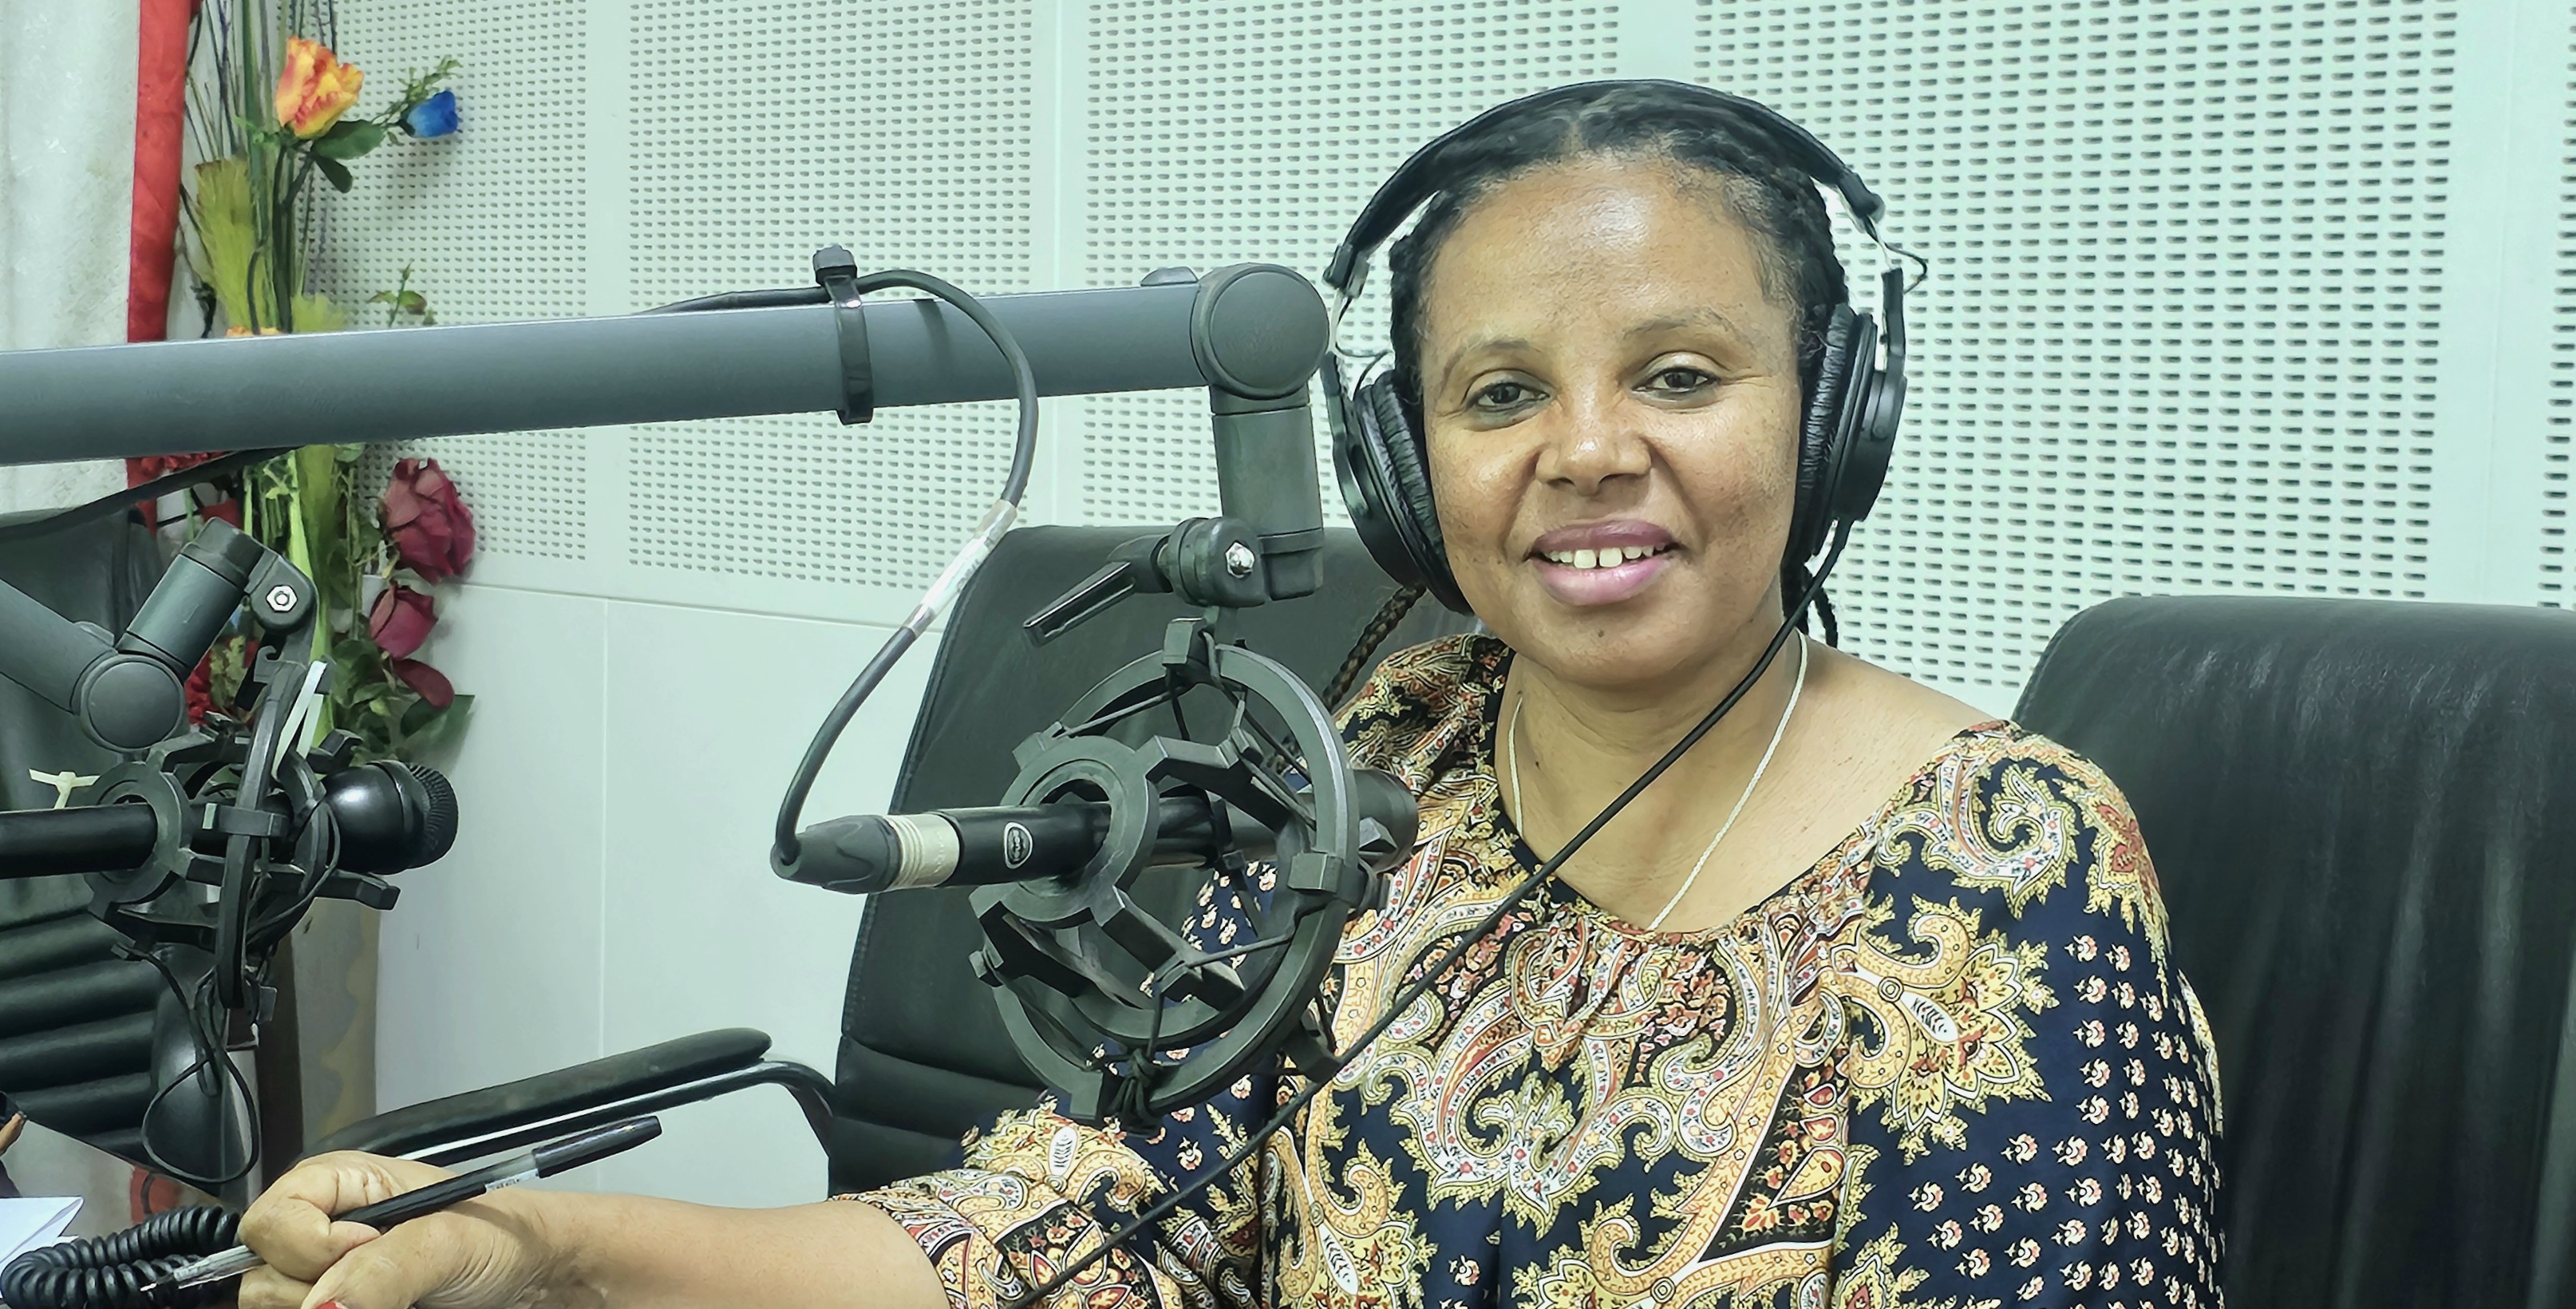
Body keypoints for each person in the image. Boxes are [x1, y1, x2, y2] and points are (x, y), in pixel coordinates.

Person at [237, 82, 2222, 1309]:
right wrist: (549, 1250)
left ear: (1835, 420)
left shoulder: (2004, 867)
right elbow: (1097, 1227)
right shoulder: (1392, 760)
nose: (1590, 450)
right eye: (1503, 393)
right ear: (1400, 465)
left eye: (1682, 376)